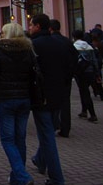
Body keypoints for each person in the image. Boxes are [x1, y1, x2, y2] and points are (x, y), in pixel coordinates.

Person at [0, 23, 36, 185]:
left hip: (5, 100)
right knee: (19, 139)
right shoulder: (28, 51)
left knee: (8, 140)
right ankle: (17, 177)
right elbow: (33, 75)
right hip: (24, 99)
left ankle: (22, 177)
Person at [29, 14, 67, 185]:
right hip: (59, 95)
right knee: (49, 131)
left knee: (47, 136)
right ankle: (40, 160)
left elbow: (29, 71)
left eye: (31, 24)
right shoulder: (61, 43)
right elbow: (71, 66)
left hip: (41, 97)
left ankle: (56, 178)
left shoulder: (34, 45)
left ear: (38, 26)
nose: (29, 27)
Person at [49, 19, 77, 138]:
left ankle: (54, 125)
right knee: (65, 102)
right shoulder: (67, 41)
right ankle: (65, 128)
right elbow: (75, 58)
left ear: (50, 28)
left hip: (52, 76)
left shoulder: (49, 41)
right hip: (66, 77)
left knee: (52, 102)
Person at [72, 30, 99, 123]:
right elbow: (94, 60)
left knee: (84, 92)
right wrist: (97, 73)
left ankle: (92, 114)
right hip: (90, 71)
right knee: (84, 91)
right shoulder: (89, 46)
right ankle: (84, 110)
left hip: (80, 72)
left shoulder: (74, 46)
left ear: (74, 37)